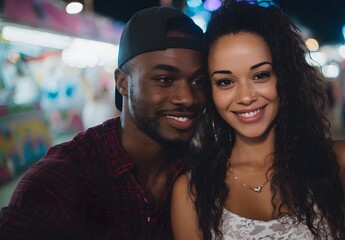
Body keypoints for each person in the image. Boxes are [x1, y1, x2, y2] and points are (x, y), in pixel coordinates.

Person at [170, 1, 345, 240]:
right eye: (225, 81)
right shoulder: (192, 191)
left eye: (260, 75)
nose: (246, 97)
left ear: (283, 77)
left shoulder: (336, 158)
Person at [0, 6, 207, 240]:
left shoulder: (202, 167)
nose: (187, 98)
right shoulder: (60, 181)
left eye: (199, 82)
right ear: (121, 82)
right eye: (165, 79)